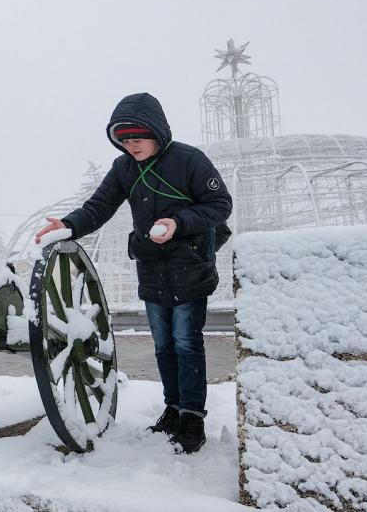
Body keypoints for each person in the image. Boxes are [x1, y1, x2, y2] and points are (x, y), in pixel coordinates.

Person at [34, 93, 232, 453]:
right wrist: (69, 225)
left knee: (186, 343)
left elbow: (220, 205)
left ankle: (192, 417)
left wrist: (177, 222)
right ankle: (173, 408)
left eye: (137, 138)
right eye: (124, 140)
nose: (131, 145)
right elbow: (99, 206)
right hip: (152, 269)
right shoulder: (124, 168)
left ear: (157, 132)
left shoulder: (189, 160)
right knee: (163, 345)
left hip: (190, 267)